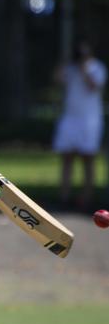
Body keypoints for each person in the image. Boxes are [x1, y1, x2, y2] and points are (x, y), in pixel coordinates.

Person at [52, 39, 107, 209]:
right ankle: (64, 196)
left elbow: (94, 87)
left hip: (89, 119)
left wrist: (84, 71)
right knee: (67, 157)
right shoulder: (70, 68)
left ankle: (87, 197)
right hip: (70, 118)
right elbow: (57, 79)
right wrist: (65, 63)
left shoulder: (97, 68)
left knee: (87, 158)